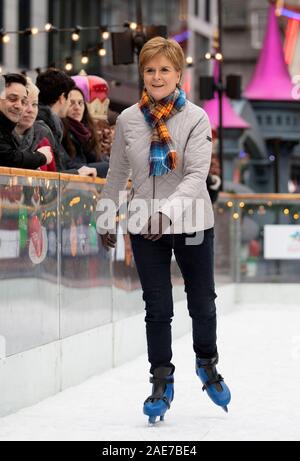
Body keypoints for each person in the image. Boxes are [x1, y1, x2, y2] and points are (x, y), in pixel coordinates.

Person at [97, 37, 231, 424]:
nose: (156, 77)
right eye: (150, 70)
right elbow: (118, 174)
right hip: (144, 224)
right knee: (157, 308)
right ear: (142, 74)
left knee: (201, 300)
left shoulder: (197, 118)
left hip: (190, 223)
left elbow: (195, 177)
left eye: (164, 70)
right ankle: (161, 379)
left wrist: (167, 213)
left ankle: (207, 363)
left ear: (178, 74)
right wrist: (106, 216)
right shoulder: (127, 120)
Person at [36, 69, 97, 177]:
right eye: (70, 99)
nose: (72, 105)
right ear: (62, 97)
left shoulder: (50, 124)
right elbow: (51, 172)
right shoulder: (44, 127)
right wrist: (77, 173)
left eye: (80, 103)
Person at [0, 73, 52, 169]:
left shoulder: (44, 137)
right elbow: (8, 158)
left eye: (23, 101)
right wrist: (41, 157)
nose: (19, 105)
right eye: (12, 99)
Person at [62, 87, 109, 178]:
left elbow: (97, 158)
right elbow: (68, 165)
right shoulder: (60, 131)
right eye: (71, 103)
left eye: (80, 103)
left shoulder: (86, 132)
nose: (77, 107)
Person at [14, 78, 57, 172]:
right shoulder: (3, 139)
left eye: (34, 104)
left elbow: (54, 181)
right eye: (24, 103)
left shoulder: (44, 141)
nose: (31, 110)